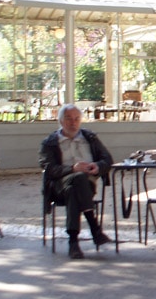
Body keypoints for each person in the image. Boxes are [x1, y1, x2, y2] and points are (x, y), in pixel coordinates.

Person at [39, 103, 114, 259]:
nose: (73, 123)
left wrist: (97, 166)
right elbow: (49, 168)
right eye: (68, 119)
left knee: (75, 188)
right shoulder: (50, 143)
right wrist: (72, 168)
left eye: (76, 119)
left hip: (86, 185)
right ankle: (94, 229)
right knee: (77, 180)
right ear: (60, 121)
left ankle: (74, 242)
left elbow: (107, 160)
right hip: (59, 187)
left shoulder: (90, 138)